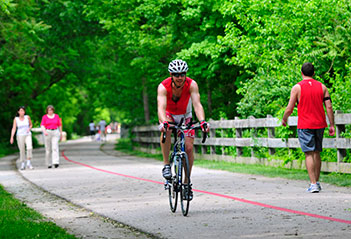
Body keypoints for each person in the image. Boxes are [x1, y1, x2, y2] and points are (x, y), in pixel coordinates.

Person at [157, 59, 209, 200]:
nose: (179, 77)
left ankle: (187, 182)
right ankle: (166, 164)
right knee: (166, 130)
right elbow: (161, 107)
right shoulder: (163, 86)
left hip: (186, 115)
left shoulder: (192, 84)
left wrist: (203, 121)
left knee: (189, 148)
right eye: (176, 75)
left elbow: (197, 105)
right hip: (169, 115)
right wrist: (164, 122)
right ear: (171, 75)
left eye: (182, 74)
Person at [282, 62, 335, 193]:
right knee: (317, 152)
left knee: (308, 153)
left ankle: (313, 184)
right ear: (314, 73)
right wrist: (332, 124)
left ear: (301, 73)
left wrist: (284, 119)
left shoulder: (297, 88)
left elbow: (289, 108)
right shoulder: (322, 87)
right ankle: (317, 182)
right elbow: (329, 106)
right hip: (320, 124)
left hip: (305, 124)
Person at [10, 106, 34, 170]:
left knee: (29, 147)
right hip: (20, 135)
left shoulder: (27, 117)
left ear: (24, 112)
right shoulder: (16, 119)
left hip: (27, 134)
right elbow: (14, 128)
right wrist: (12, 137)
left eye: (23, 111)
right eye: (20, 111)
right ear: (18, 112)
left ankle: (28, 162)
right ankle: (23, 163)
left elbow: (31, 124)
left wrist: (29, 128)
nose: (22, 112)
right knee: (22, 149)